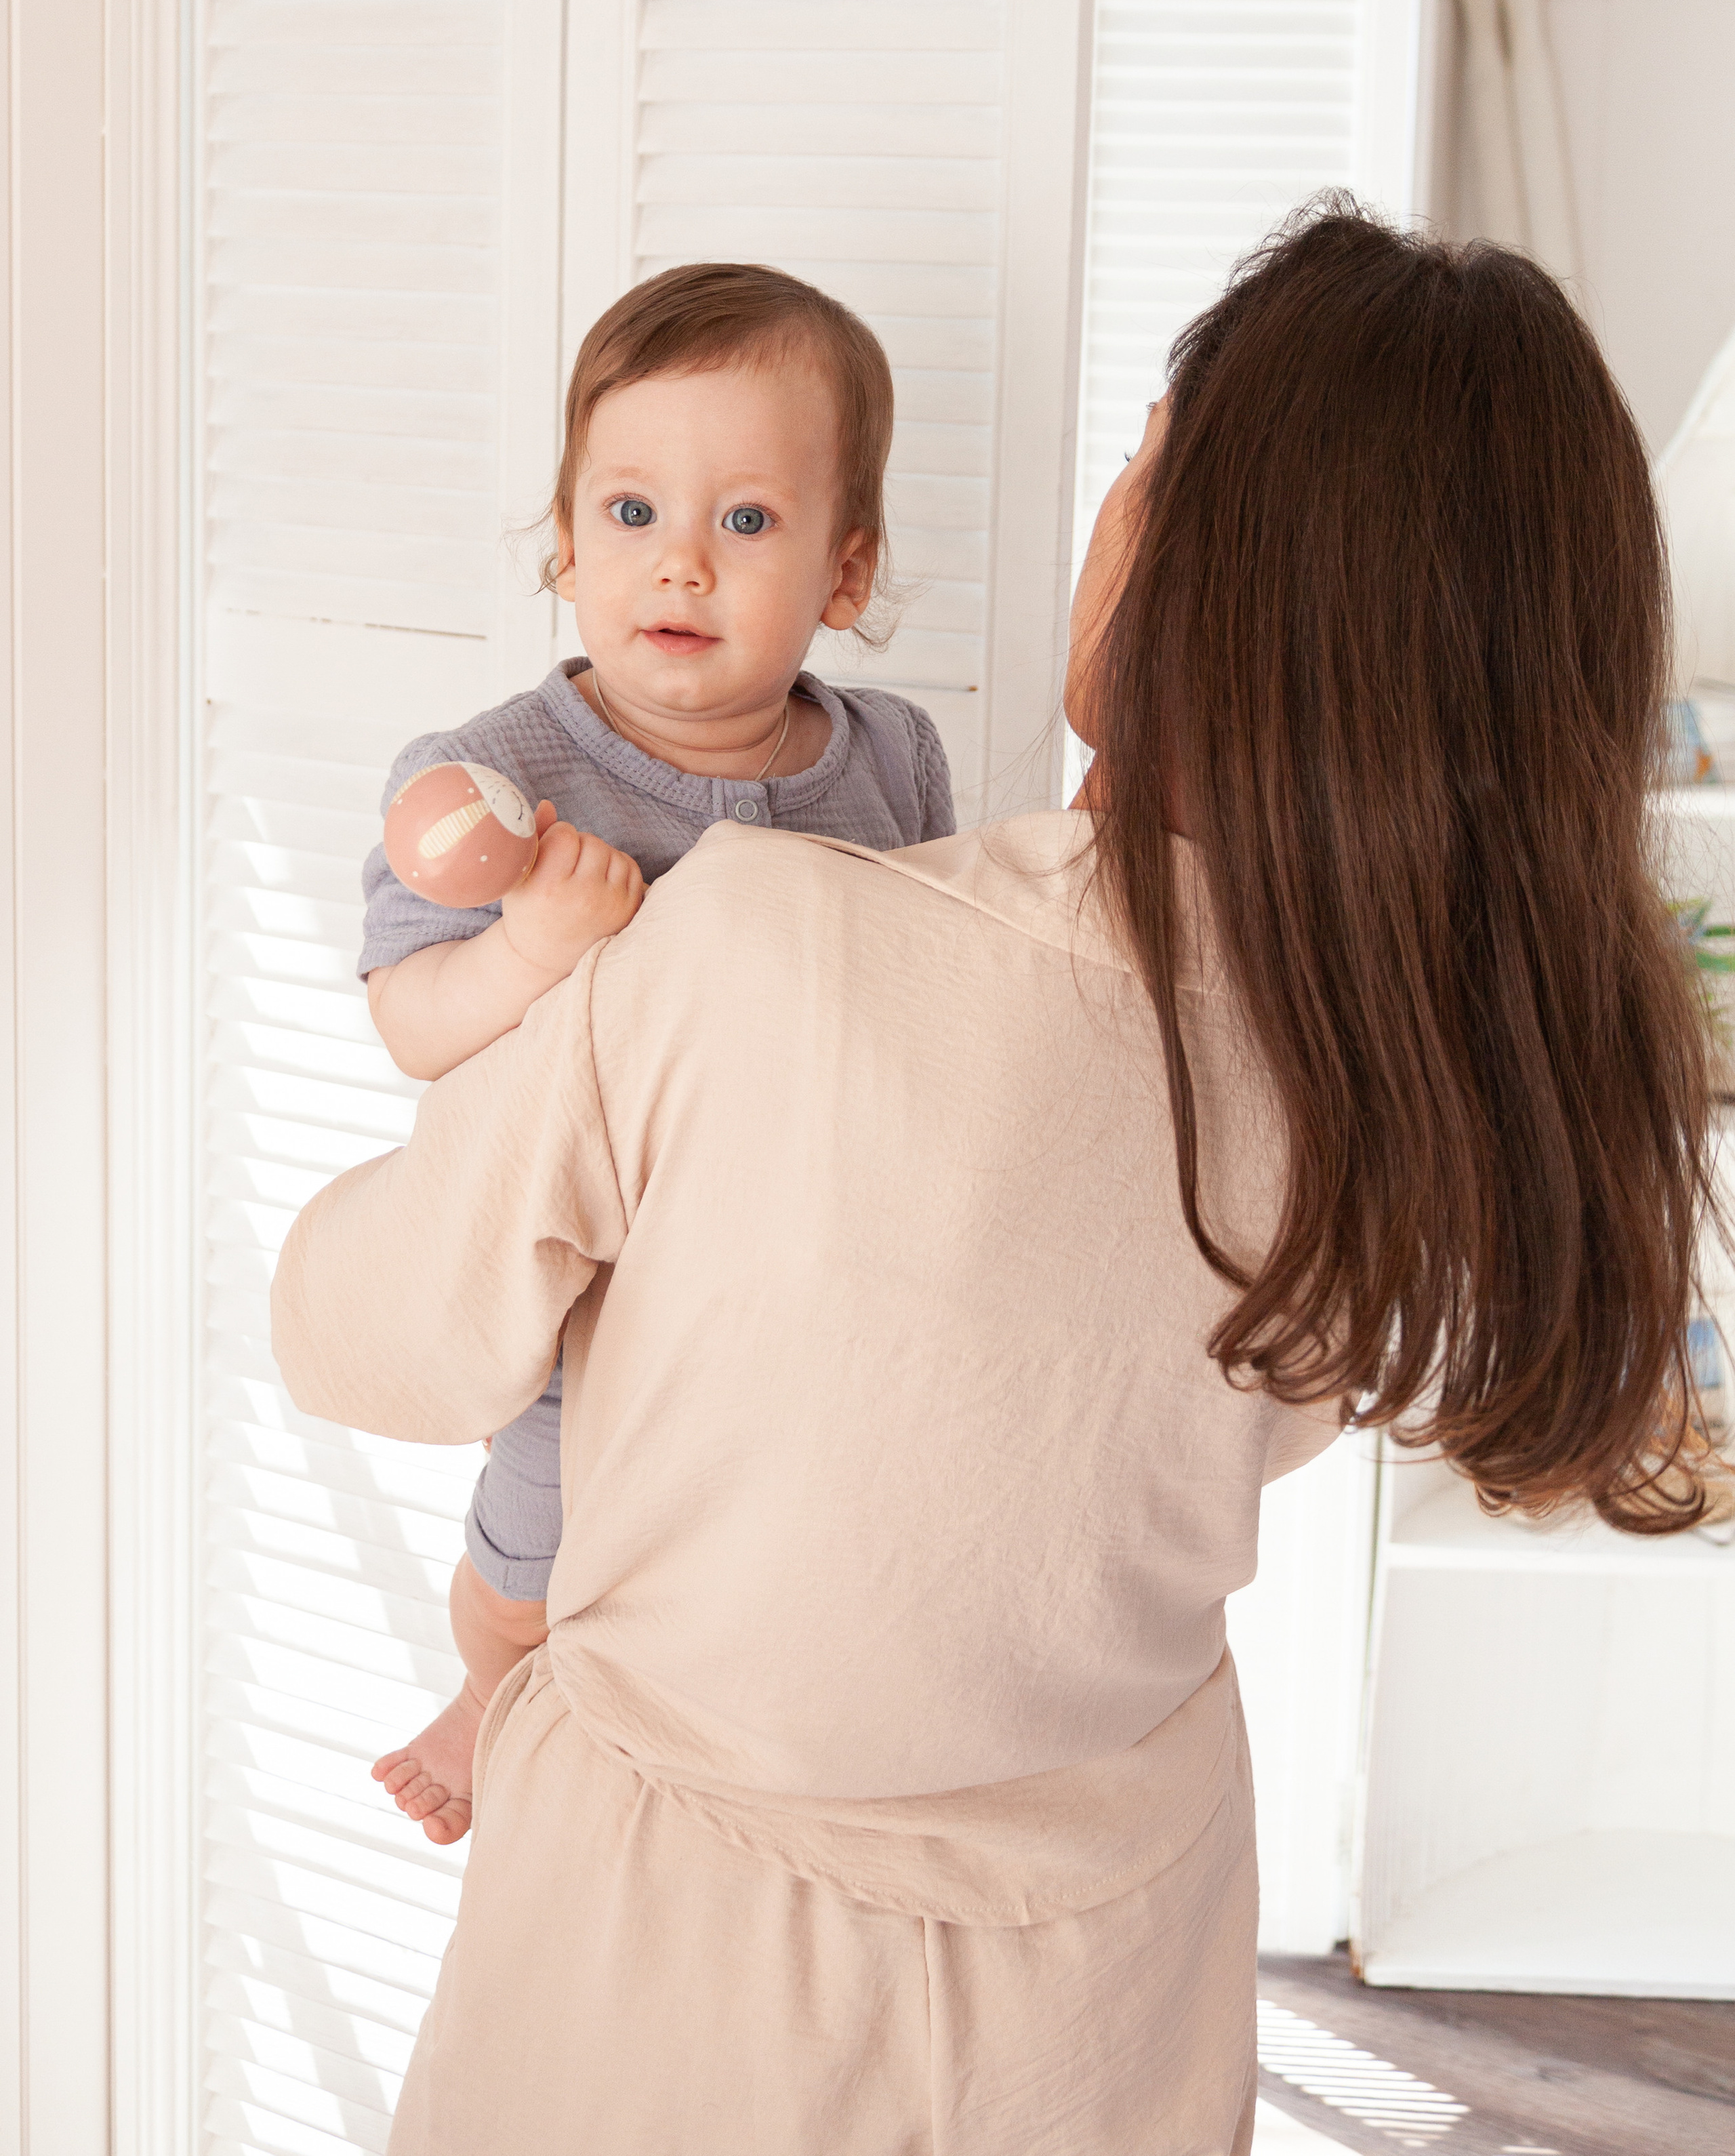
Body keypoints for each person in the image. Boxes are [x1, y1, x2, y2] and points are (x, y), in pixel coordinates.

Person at [273, 205, 1715, 2156]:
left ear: (1189, 556)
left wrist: (542, 1030)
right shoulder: (1431, 1083)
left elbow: (366, 1334)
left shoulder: (758, 949)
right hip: (1119, 1972)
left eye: (1140, 464)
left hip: (686, 1978)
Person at [362, 263, 954, 1842]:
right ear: (564, 539)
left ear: (846, 568)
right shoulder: (495, 780)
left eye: (745, 524)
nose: (678, 562)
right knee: (538, 1538)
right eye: (628, 513)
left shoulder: (889, 756)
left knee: (815, 1525)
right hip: (594, 1269)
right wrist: (534, 945)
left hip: (809, 1245)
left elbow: (935, 965)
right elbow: (411, 1024)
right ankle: (488, 1690)